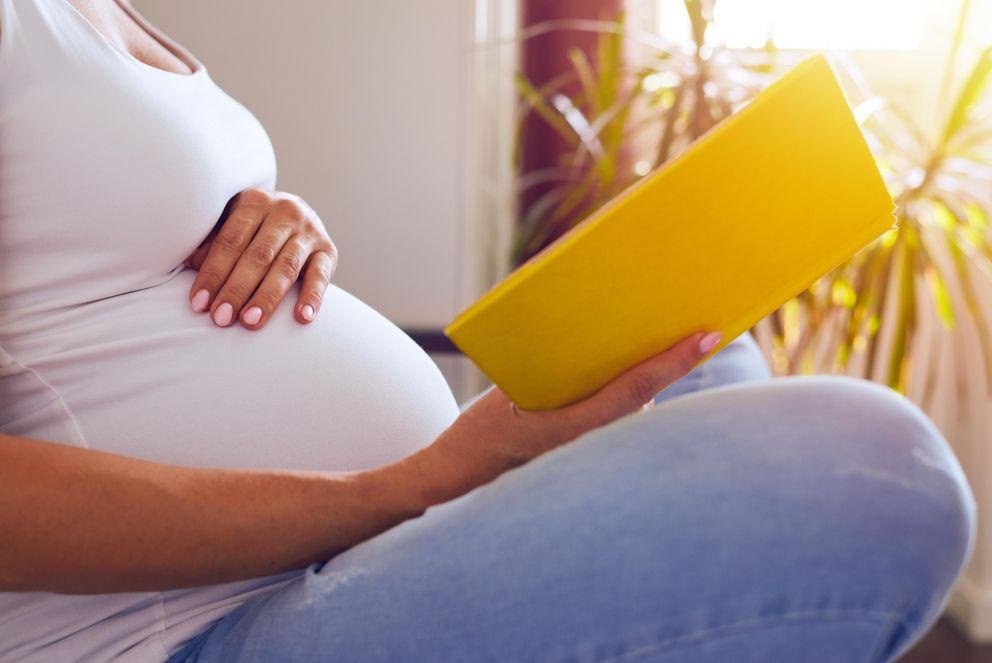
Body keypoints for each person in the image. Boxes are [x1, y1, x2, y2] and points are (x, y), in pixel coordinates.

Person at [0, 1, 975, 661]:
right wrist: (420, 483)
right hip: (189, 628)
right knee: (878, 473)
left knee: (695, 351)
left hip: (352, 541)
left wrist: (276, 216)